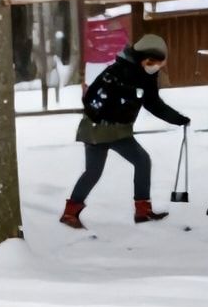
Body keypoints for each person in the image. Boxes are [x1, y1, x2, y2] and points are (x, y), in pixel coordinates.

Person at [61, 33, 190, 229]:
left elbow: (153, 103)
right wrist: (106, 115)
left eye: (158, 63)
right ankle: (72, 212)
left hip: (118, 131)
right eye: (151, 62)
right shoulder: (116, 72)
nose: (154, 66)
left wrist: (178, 119)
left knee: (133, 163)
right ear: (141, 57)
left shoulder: (146, 77)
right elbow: (91, 99)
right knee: (101, 169)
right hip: (99, 129)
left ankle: (141, 210)